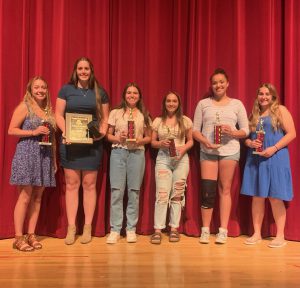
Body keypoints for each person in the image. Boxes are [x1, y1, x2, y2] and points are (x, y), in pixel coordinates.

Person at [55, 57, 109, 245]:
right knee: (71, 184)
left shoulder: (100, 92)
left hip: (92, 145)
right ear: (75, 70)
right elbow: (58, 115)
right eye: (80, 68)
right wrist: (66, 132)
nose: (83, 71)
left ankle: (87, 227)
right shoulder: (66, 90)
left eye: (86, 68)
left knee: (89, 184)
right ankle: (72, 228)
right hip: (70, 143)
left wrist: (100, 135)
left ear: (91, 70)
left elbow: (104, 120)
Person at [193, 68, 249, 244]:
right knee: (207, 191)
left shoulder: (237, 104)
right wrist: (205, 141)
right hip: (208, 151)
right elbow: (195, 130)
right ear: (211, 85)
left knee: (225, 189)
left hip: (230, 151)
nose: (218, 85)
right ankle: (205, 229)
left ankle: (223, 230)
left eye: (221, 82)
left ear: (227, 83)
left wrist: (233, 133)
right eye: (215, 82)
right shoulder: (203, 104)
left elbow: (246, 130)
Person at [241, 83, 296, 248]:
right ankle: (256, 233)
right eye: (260, 94)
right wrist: (250, 142)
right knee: (257, 196)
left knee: (275, 196)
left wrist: (274, 148)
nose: (263, 97)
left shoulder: (281, 110)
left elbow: (292, 133)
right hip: (256, 159)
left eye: (267, 94)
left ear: (273, 96)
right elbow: (247, 137)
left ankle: (280, 236)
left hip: (276, 158)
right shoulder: (254, 115)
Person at [8, 76, 56, 251]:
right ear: (30, 89)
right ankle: (18, 237)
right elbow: (11, 130)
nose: (40, 90)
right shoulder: (24, 106)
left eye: (43, 87)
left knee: (37, 197)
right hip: (27, 153)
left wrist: (54, 160)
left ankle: (31, 234)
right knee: (25, 196)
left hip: (44, 156)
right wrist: (33, 131)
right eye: (37, 87)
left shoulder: (49, 110)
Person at [106, 82, 151, 244]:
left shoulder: (143, 114)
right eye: (129, 93)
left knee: (134, 192)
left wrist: (140, 140)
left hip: (137, 154)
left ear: (139, 97)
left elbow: (149, 137)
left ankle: (131, 228)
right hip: (118, 152)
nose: (132, 95)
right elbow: (108, 135)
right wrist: (118, 138)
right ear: (124, 95)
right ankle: (115, 229)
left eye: (135, 93)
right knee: (117, 191)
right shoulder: (115, 113)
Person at [150, 92, 193, 244]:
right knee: (162, 194)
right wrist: (160, 144)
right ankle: (158, 230)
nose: (171, 104)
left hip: (181, 160)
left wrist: (183, 149)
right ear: (164, 103)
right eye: (168, 101)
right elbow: (152, 142)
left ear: (178, 103)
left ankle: (174, 228)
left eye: (174, 101)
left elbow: (191, 141)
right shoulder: (157, 121)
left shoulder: (185, 120)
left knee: (177, 194)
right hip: (163, 159)